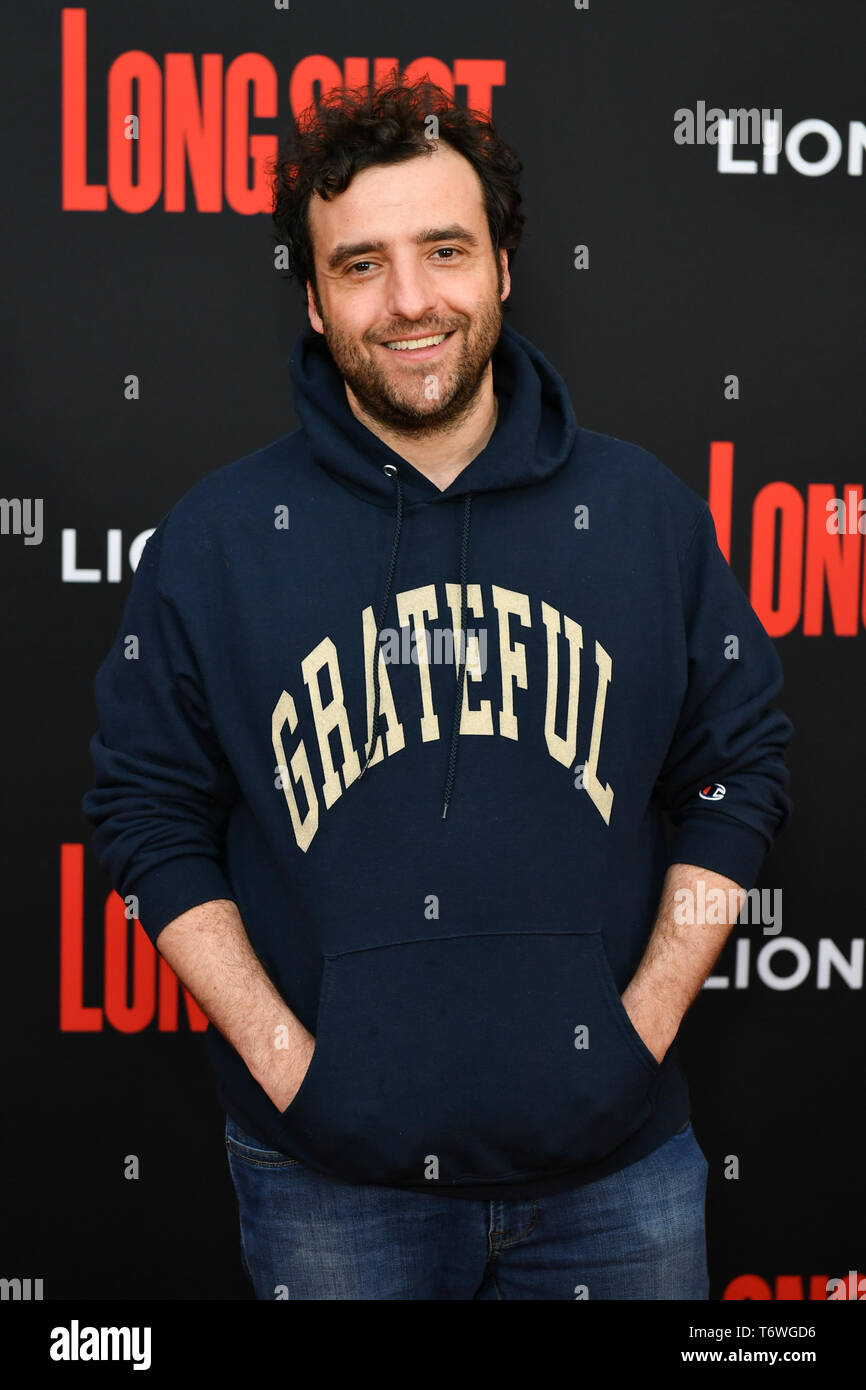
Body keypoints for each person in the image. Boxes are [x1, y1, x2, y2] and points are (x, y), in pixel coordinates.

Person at [82, 74, 793, 1301]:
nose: (410, 301)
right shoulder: (219, 539)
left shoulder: (639, 516)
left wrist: (640, 1030)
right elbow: (146, 811)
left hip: (614, 1183)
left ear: (503, 266)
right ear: (311, 298)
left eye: (444, 250)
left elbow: (740, 768)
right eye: (359, 264)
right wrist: (286, 1058)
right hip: (327, 1186)